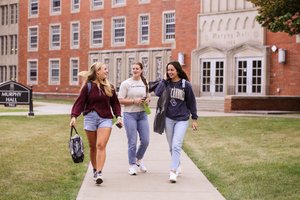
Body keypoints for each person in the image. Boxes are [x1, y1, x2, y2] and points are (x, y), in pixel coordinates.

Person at [70, 62, 122, 185]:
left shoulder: (110, 86)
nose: (107, 71)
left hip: (105, 118)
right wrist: (74, 116)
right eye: (105, 69)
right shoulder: (88, 86)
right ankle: (94, 169)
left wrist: (118, 116)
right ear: (97, 71)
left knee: (100, 145)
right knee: (93, 147)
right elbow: (80, 103)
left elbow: (115, 104)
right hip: (90, 118)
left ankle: (99, 172)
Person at [154, 61, 198, 183]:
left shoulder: (185, 85)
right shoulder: (166, 84)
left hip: (182, 119)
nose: (170, 72)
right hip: (168, 118)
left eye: (172, 70)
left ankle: (173, 171)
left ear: (178, 70)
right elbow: (157, 93)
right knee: (171, 146)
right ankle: (177, 164)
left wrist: (194, 118)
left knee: (176, 145)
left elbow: (192, 102)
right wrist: (163, 80)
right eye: (168, 70)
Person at [118, 62, 150, 175]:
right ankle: (132, 165)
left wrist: (147, 100)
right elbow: (120, 100)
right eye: (133, 68)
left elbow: (148, 95)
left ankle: (138, 159)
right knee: (132, 142)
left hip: (142, 114)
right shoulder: (126, 84)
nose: (135, 70)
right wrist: (133, 101)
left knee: (145, 140)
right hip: (129, 115)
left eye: (137, 68)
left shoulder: (145, 82)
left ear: (141, 70)